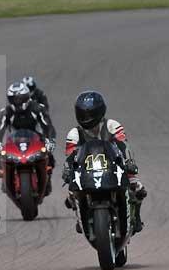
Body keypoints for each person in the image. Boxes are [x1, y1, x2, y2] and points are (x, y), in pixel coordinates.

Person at [61, 91, 147, 233]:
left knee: (137, 187)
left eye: (89, 114)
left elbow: (123, 144)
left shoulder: (112, 125)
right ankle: (80, 217)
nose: (86, 118)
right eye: (82, 114)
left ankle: (136, 217)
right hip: (87, 170)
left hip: (114, 166)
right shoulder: (74, 133)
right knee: (71, 194)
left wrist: (129, 161)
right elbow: (70, 156)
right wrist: (67, 169)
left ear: (99, 112)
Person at [0, 82, 57, 193]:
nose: (17, 102)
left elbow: (48, 126)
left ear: (27, 97)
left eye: (20, 98)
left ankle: (47, 179)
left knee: (49, 156)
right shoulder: (5, 112)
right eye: (14, 99)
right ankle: (6, 179)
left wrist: (50, 140)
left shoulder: (37, 108)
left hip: (36, 138)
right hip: (14, 140)